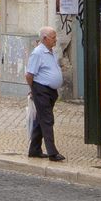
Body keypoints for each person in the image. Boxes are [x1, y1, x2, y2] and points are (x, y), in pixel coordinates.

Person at [25, 25, 66, 161]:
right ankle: (52, 152)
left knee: (41, 120)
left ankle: (34, 150)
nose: (55, 40)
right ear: (44, 38)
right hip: (41, 89)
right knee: (48, 120)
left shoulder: (51, 51)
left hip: (50, 91)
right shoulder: (38, 53)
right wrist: (33, 90)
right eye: (53, 37)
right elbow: (29, 74)